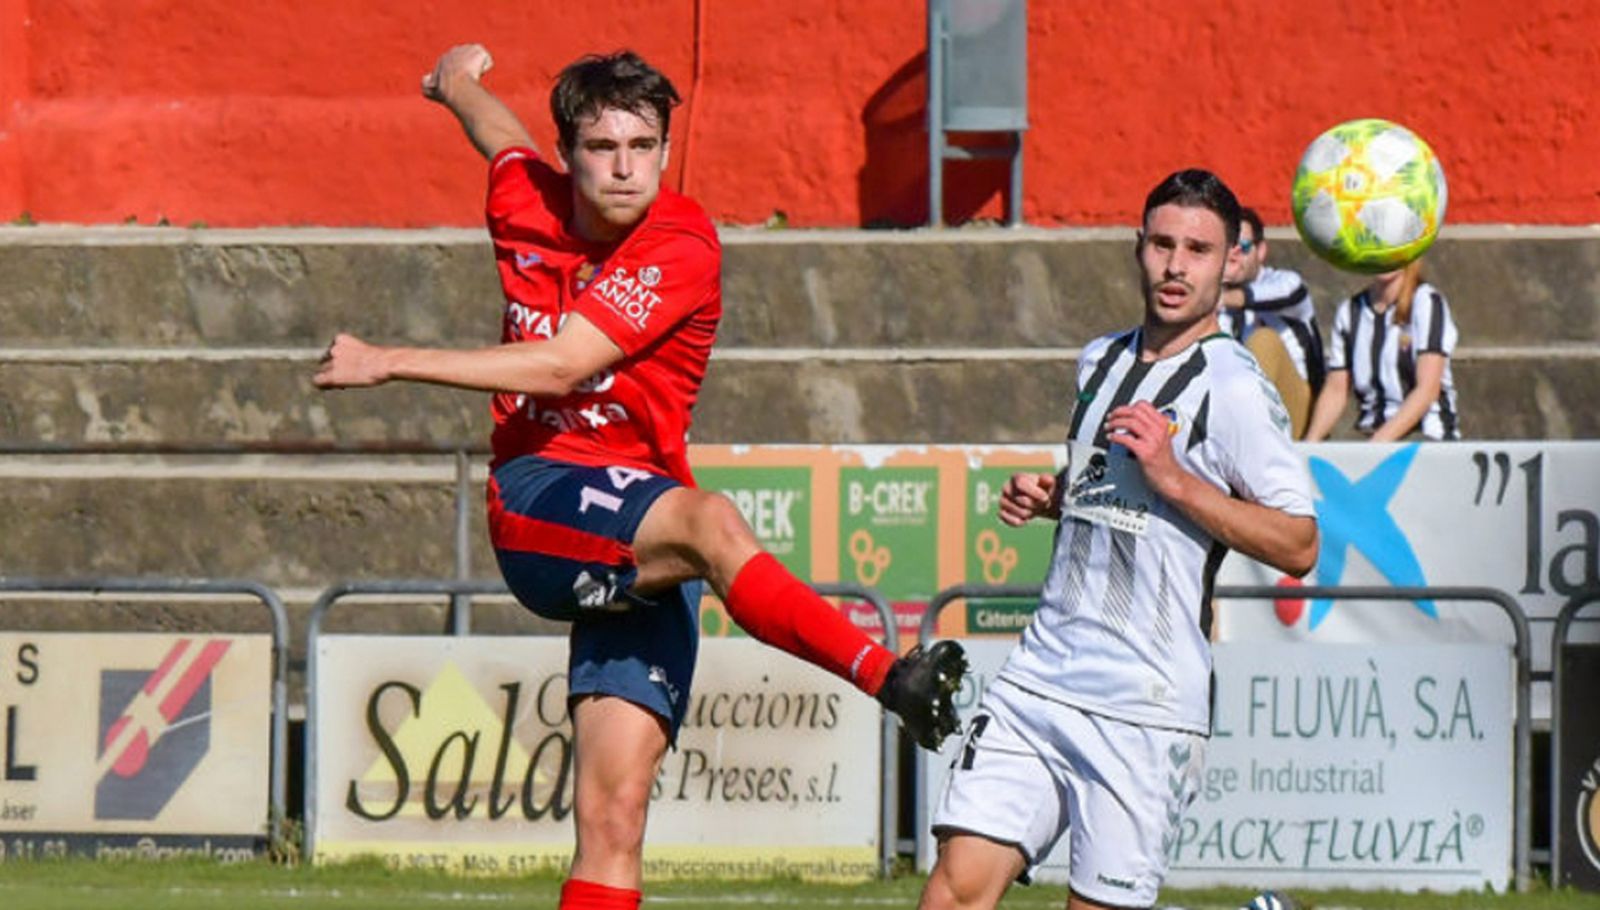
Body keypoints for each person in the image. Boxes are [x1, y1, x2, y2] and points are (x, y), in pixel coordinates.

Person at [314, 44, 967, 910]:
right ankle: (892, 676)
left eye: (643, 146)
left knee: (615, 816)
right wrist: (455, 83)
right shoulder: (522, 197)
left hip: (639, 530)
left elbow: (557, 364)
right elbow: (499, 136)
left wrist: (384, 359)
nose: (625, 168)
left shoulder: (680, 242)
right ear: (569, 154)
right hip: (541, 499)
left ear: (665, 148)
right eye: (602, 148)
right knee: (710, 524)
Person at [917, 170, 1319, 910]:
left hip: (1145, 699)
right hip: (1041, 677)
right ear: (1138, 248)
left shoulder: (1232, 387)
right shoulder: (1100, 358)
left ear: (1230, 262)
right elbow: (1112, 490)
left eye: (1198, 250)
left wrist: (1176, 478)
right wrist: (1058, 498)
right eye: (1162, 244)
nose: (1175, 266)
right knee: (952, 892)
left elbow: (1299, 544)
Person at [1304, 257, 1461, 441]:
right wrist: (1309, 445)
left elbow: (1427, 390)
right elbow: (1336, 389)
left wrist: (1377, 446)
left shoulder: (1427, 302)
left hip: (1425, 437)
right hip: (1371, 434)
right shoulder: (1350, 311)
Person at [1218, 207, 1325, 438]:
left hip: (1295, 408)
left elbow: (1284, 292)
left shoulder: (1285, 282)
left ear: (1261, 250)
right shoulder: (1213, 300)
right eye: (1226, 245)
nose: (1234, 254)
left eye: (1243, 247)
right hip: (1231, 407)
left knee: (1264, 340)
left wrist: (1212, 299)